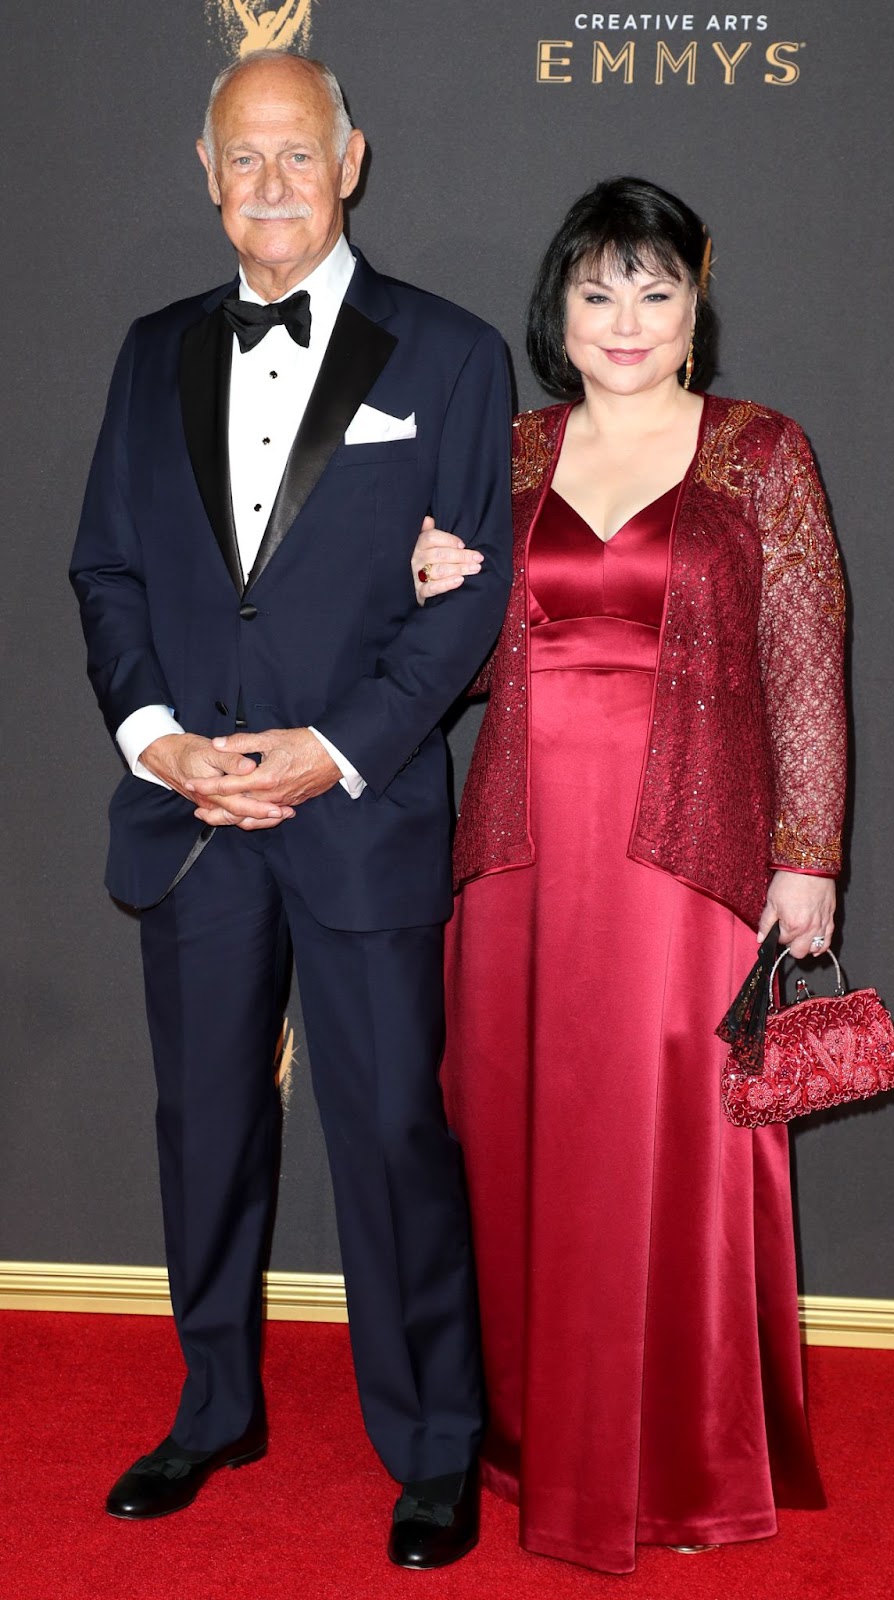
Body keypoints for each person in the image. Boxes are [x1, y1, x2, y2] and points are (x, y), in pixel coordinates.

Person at [70, 49, 513, 1569]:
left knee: (391, 1129)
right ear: (206, 175)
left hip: (359, 811)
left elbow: (467, 607)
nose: (268, 184)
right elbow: (109, 570)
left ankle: (432, 1442)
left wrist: (332, 749)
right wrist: (156, 738)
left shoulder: (449, 356)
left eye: (296, 154)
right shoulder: (150, 351)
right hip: (190, 816)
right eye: (240, 158)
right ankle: (212, 1407)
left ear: (353, 160)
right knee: (204, 1126)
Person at [411, 177, 845, 1574]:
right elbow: (480, 668)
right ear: (559, 307)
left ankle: (682, 1454)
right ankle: (532, 1438)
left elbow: (804, 667)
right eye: (597, 291)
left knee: (670, 1147)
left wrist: (808, 857)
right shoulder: (512, 449)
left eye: (653, 290)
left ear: (692, 307)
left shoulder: (760, 452)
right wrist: (432, 593)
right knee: (522, 1134)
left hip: (686, 862)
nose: (625, 319)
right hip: (520, 854)